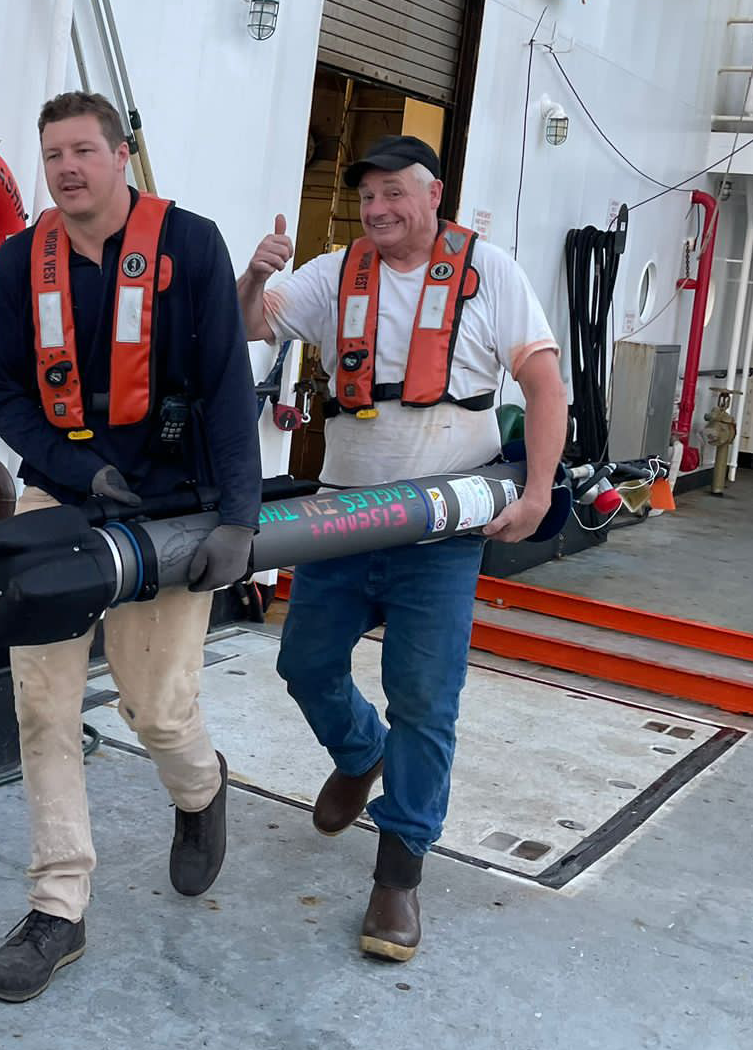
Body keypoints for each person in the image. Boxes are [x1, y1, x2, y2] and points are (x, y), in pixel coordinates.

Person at [237, 135, 567, 962]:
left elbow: (543, 380)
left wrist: (534, 492)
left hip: (445, 527)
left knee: (424, 697)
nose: (378, 210)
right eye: (367, 197)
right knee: (304, 664)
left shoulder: (491, 273)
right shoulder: (333, 271)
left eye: (394, 194)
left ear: (433, 194)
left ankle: (398, 873)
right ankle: (359, 752)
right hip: (344, 515)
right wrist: (255, 275)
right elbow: (253, 326)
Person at [0, 91, 261, 1002]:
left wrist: (239, 520)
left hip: (173, 506)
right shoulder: (22, 260)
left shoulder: (191, 244)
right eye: (52, 153)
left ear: (120, 157)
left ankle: (198, 790)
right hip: (60, 501)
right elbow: (6, 393)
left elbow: (225, 384)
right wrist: (71, 464)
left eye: (82, 152)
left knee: (157, 710)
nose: (66, 168)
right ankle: (58, 905)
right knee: (44, 707)